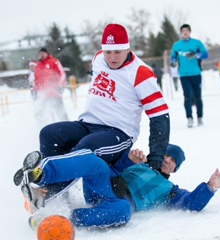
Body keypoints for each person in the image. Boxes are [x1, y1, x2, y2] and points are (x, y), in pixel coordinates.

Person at [39, 23, 170, 169]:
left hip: (118, 132)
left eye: (117, 52)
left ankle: (49, 177)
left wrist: (156, 155)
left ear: (127, 49)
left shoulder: (141, 74)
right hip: (87, 124)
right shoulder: (98, 58)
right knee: (49, 134)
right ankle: (52, 186)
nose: (112, 57)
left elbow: (160, 116)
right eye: (108, 52)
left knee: (86, 148)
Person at [15, 144, 220, 229]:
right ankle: (41, 176)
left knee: (124, 212)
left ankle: (63, 219)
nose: (167, 159)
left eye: (172, 159)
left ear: (175, 169)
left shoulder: (171, 191)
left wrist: (210, 187)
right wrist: (128, 160)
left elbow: (191, 204)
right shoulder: (142, 164)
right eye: (166, 154)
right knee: (93, 161)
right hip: (106, 185)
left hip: (117, 202)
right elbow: (113, 169)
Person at [170, 24, 209, 128]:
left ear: (190, 32)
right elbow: (173, 57)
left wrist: (196, 55)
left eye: (187, 30)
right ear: (181, 32)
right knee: (187, 96)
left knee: (198, 96)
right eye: (183, 30)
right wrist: (173, 62)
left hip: (196, 73)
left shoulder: (197, 43)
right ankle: (189, 118)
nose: (185, 32)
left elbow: (206, 54)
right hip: (184, 74)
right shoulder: (177, 45)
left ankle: (200, 117)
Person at [33, 47, 68, 125]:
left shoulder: (54, 62)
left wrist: (61, 85)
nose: (41, 55)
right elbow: (36, 79)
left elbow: (61, 74)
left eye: (43, 53)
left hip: (54, 92)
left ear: (46, 54)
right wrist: (36, 90)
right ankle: (41, 127)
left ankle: (67, 126)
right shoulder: (38, 65)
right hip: (43, 94)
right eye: (40, 53)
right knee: (40, 113)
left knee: (61, 112)